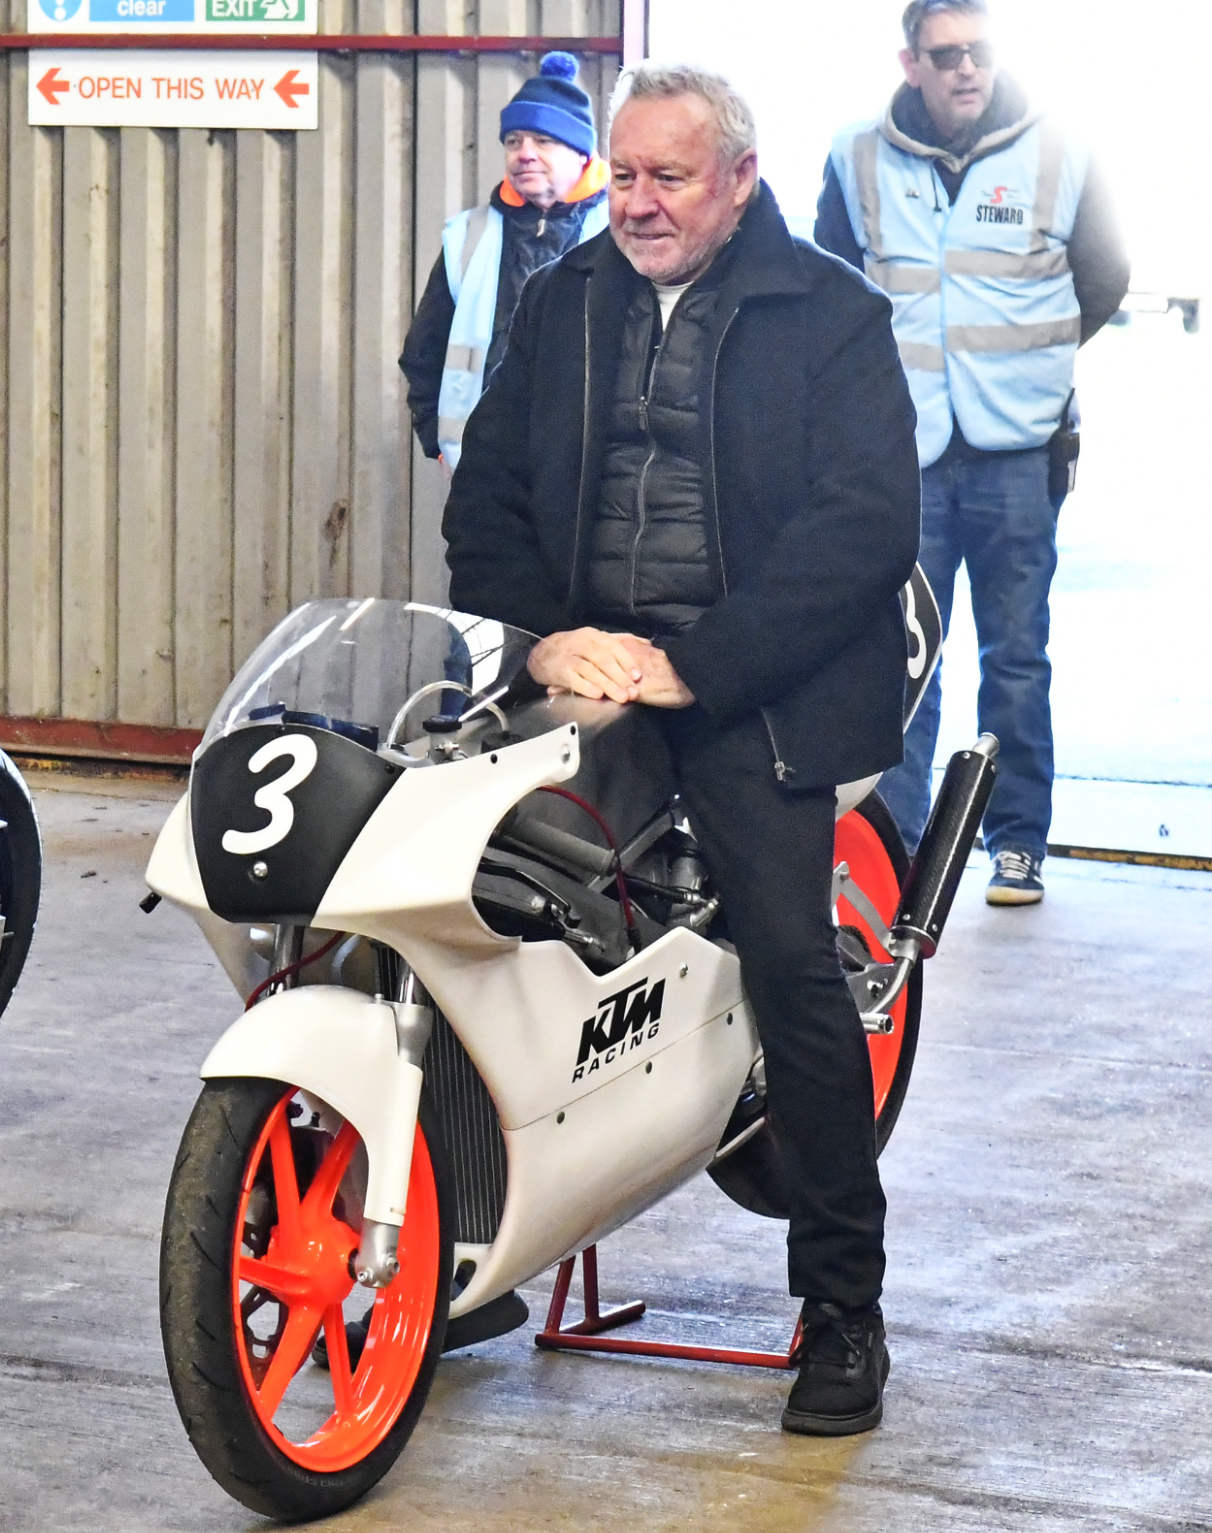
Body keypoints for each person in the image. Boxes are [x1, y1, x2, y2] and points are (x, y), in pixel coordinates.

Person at [445, 64, 919, 1437]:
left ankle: (842, 1308)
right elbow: (486, 502)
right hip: (591, 667)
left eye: (670, 178)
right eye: (627, 176)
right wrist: (544, 637)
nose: (638, 205)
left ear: (738, 181)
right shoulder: (563, 303)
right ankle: (450, 1247)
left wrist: (696, 665)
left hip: (752, 684)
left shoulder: (832, 314)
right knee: (468, 919)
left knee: (788, 962)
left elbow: (865, 528)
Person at [816, 0, 1129, 905]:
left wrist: (1032, 369)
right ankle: (899, 844)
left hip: (1017, 454)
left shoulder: (1062, 153)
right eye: (945, 54)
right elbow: (834, 287)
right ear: (910, 61)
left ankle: (1016, 843)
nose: (966, 69)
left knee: (1017, 654)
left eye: (979, 52)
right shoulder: (857, 154)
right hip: (903, 455)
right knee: (903, 657)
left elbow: (1103, 278)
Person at [399, 51, 610, 469]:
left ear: (582, 153)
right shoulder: (468, 235)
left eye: (544, 140)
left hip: (589, 470)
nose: (525, 153)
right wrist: (436, 440)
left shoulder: (623, 232)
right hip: (483, 466)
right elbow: (424, 351)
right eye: (514, 141)